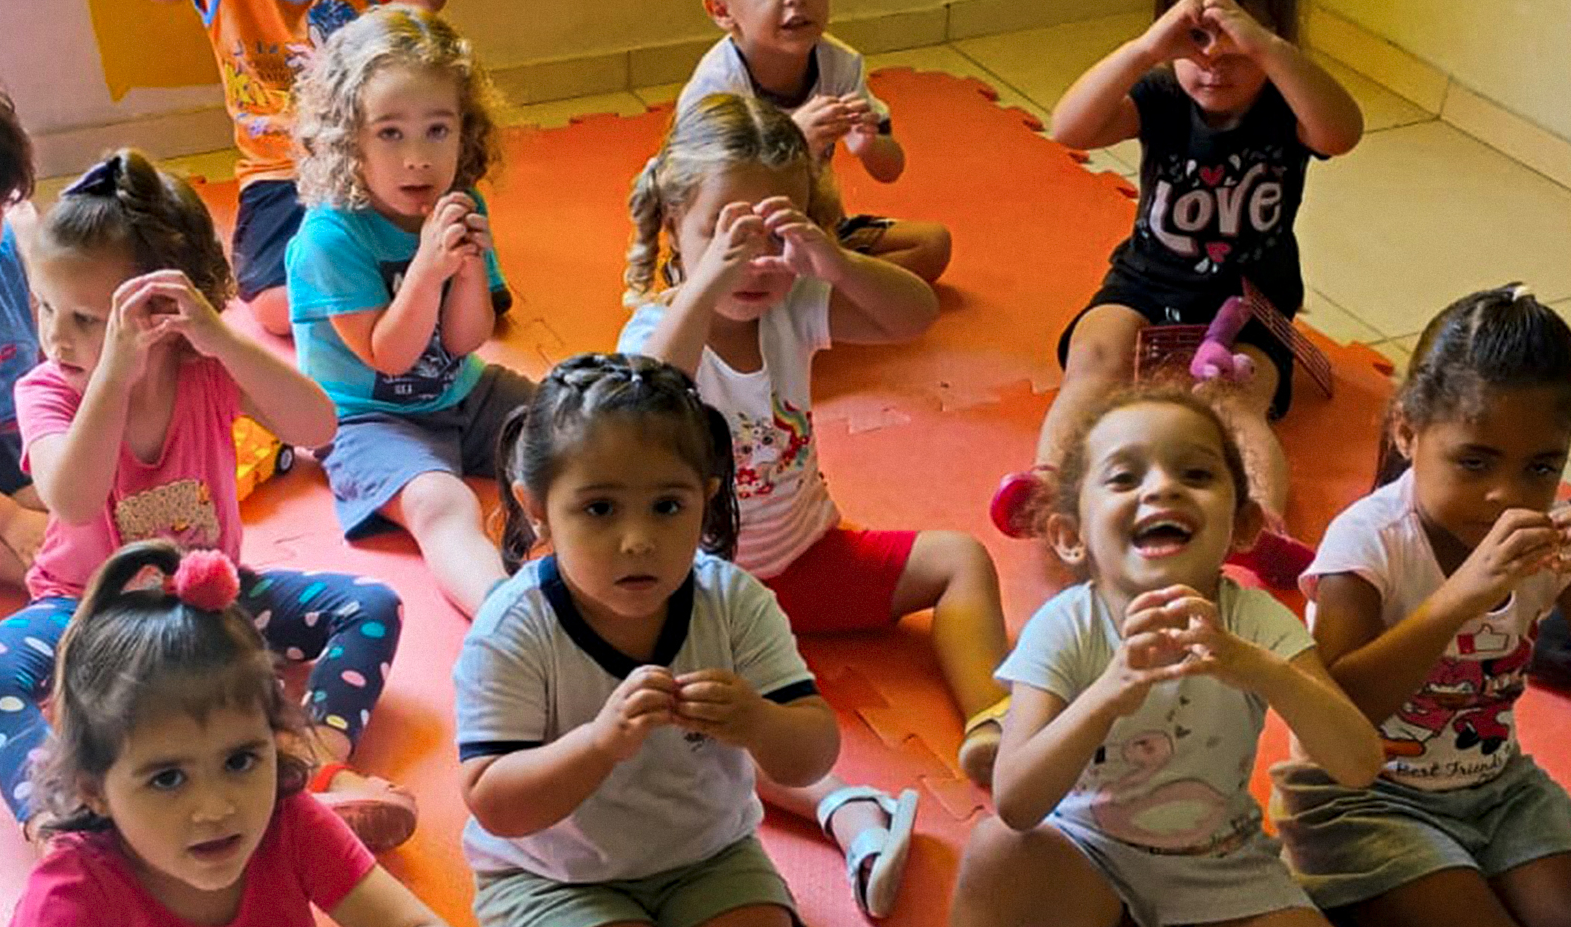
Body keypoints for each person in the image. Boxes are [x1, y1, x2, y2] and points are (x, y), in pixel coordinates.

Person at [621, 93, 1010, 917]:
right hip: (705, 596)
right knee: (678, 716)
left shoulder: (795, 306)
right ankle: (846, 808)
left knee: (959, 558)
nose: (755, 261)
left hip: (805, 558)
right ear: (674, 232)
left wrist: (834, 262)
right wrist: (707, 285)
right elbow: (644, 399)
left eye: (774, 234)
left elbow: (914, 317)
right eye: (727, 237)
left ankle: (993, 728)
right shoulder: (658, 327)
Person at [9, 149, 413, 850]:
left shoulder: (207, 369)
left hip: (209, 607)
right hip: (86, 612)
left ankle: (307, 767)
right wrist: (111, 371)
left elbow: (318, 427)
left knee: (373, 605)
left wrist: (221, 338)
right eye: (47, 306)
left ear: (167, 313)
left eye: (84, 318)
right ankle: (62, 823)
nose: (55, 336)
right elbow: (70, 499)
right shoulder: (48, 389)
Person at [992, 0, 1364, 590]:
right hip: (1144, 280)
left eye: (1239, 45)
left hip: (1246, 302)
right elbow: (1068, 128)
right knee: (1094, 356)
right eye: (1195, 42)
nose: (1215, 62)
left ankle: (1264, 525)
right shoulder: (1162, 95)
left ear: (1273, 41)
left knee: (1236, 399)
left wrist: (1271, 51)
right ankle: (1048, 486)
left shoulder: (1287, 104)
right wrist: (1142, 52)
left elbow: (1342, 132)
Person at [952, 387, 1382, 927]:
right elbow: (1015, 801)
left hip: (1222, 869)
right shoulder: (1065, 627)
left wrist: (1256, 667)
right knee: (999, 852)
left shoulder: (1255, 621)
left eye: (1196, 475)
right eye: (1124, 478)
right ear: (1069, 536)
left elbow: (1359, 763)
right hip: (1087, 855)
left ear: (1244, 525)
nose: (1162, 489)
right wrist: (1111, 690)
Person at [457, 353, 837, 927]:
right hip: (550, 873)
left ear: (705, 500)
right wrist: (599, 745)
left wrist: (759, 721)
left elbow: (813, 753)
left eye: (667, 507)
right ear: (538, 511)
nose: (638, 540)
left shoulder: (734, 603)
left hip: (707, 858)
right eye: (600, 508)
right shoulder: (513, 629)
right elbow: (493, 802)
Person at [1273, 285, 1571, 927]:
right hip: (1359, 800)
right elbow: (1338, 720)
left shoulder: (1546, 536)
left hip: (1501, 789)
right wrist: (1460, 600)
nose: (1507, 495)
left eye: (1542, 468)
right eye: (1474, 462)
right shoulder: (1367, 545)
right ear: (1407, 430)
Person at [136, 0, 496, 336]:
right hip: (279, 171)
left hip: (376, 156)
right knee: (270, 312)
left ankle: (406, 280)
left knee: (457, 243)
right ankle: (396, 285)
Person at [9, 541, 447, 926]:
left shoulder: (288, 821)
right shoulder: (70, 897)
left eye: (239, 761)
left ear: (277, 745)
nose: (216, 808)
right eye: (168, 779)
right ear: (93, 788)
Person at [287, 5, 533, 617]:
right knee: (442, 502)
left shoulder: (461, 201)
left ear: (465, 132)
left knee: (574, 431)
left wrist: (469, 265)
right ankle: (505, 614)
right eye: (390, 133)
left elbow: (464, 341)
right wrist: (427, 268)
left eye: (438, 130)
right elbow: (389, 353)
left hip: (464, 392)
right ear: (349, 140)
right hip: (367, 420)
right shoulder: (330, 237)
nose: (417, 157)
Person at [679, 0, 951, 284]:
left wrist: (870, 144)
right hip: (735, 238)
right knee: (727, 279)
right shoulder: (718, 85)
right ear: (723, 10)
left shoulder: (840, 64)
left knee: (932, 245)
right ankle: (811, 299)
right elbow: (699, 198)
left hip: (810, 227)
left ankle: (810, 295)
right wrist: (792, 143)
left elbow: (892, 169)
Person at [0, 88, 47, 584]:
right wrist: (11, 520)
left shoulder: (12, 239)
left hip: (21, 438)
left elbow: (41, 341)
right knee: (53, 564)